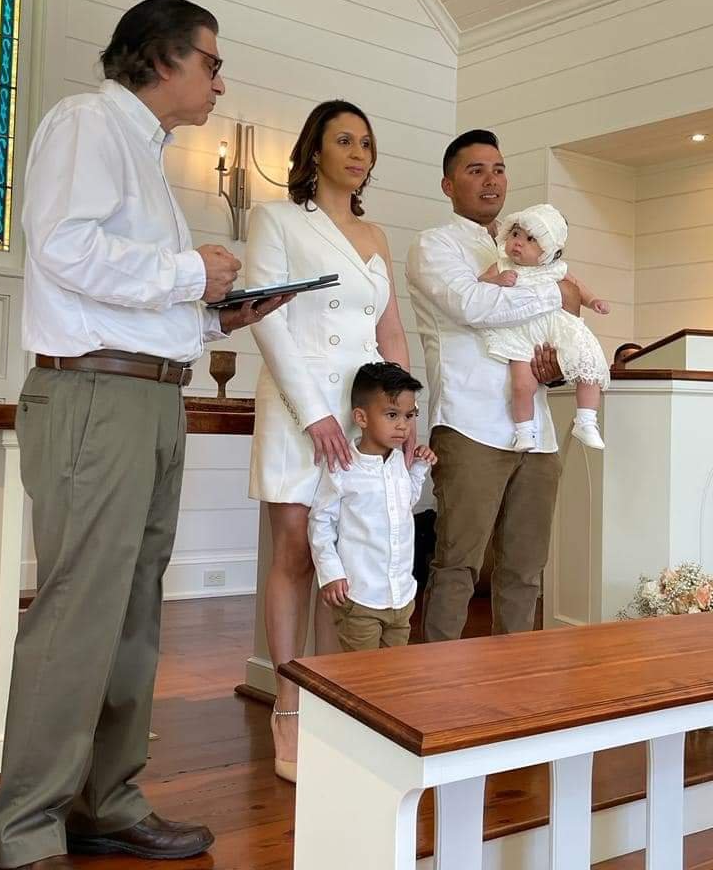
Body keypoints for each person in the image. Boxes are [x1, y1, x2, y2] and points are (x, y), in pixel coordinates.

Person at [0, 0, 290, 870]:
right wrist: (193, 271)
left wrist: (217, 316)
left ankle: (104, 802)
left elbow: (131, 296)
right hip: (94, 396)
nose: (220, 83)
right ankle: (24, 830)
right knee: (81, 610)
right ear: (160, 57)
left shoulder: (146, 155)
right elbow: (63, 248)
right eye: (211, 63)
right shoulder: (88, 123)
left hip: (150, 393)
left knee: (131, 614)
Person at [245, 100, 412, 782]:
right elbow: (267, 321)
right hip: (299, 405)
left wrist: (405, 415)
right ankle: (288, 707)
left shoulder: (376, 234)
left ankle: (333, 702)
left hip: (363, 409)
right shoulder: (276, 219)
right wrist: (314, 413)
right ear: (315, 149)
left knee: (347, 556)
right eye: (345, 140)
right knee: (295, 554)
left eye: (366, 143)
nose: (358, 153)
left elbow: (390, 331)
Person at [406, 129, 580, 643]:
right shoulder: (435, 245)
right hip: (469, 423)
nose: (491, 180)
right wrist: (559, 292)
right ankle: (438, 681)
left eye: (499, 169)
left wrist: (557, 365)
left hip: (537, 431)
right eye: (476, 170)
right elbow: (475, 307)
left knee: (526, 570)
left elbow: (560, 329)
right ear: (448, 184)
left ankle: (515, 680)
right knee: (457, 565)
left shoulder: (524, 244)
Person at [308, 362, 437, 652]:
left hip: (400, 598)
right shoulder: (343, 467)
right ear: (361, 417)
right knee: (362, 671)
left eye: (409, 415)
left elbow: (404, 504)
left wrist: (418, 468)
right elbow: (321, 522)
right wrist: (331, 573)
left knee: (393, 671)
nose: (403, 425)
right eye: (392, 415)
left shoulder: (398, 462)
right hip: (360, 598)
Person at [478, 203, 611, 451]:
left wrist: (593, 301)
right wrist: (495, 280)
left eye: (530, 239)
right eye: (515, 234)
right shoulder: (502, 265)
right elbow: (479, 283)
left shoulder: (555, 269)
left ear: (548, 250)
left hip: (557, 329)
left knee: (588, 363)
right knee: (522, 385)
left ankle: (586, 420)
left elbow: (576, 286)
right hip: (522, 334)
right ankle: (524, 431)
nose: (518, 243)